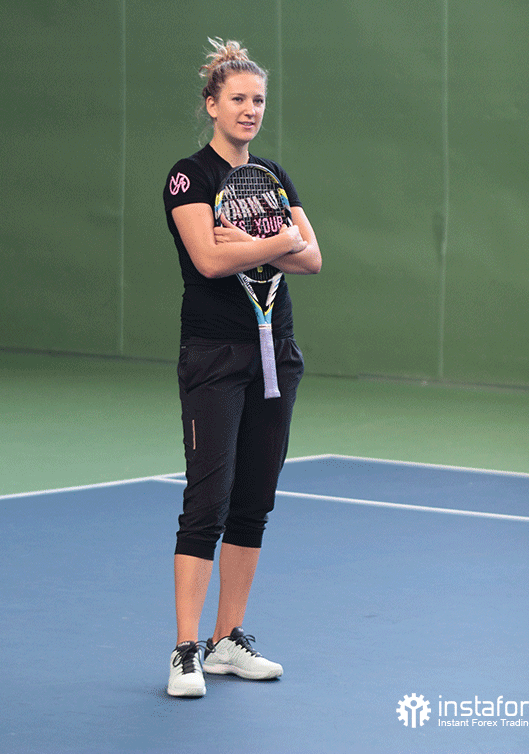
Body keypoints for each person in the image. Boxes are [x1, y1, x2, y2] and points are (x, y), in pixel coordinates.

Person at [163, 38, 321, 697]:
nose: (250, 109)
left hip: (275, 353)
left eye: (258, 100)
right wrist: (280, 240)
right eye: (238, 99)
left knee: (254, 501)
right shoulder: (188, 177)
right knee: (208, 501)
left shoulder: (274, 177)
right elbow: (207, 259)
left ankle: (228, 640)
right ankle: (185, 651)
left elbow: (312, 257)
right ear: (212, 105)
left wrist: (258, 242)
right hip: (214, 355)